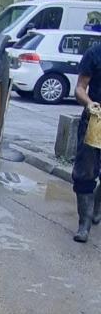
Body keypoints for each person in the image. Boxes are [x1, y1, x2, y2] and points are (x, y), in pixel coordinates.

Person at [71, 39, 101, 242]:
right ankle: (84, 225)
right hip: (96, 119)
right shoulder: (95, 53)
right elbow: (80, 88)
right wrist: (90, 104)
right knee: (85, 172)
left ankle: (95, 209)